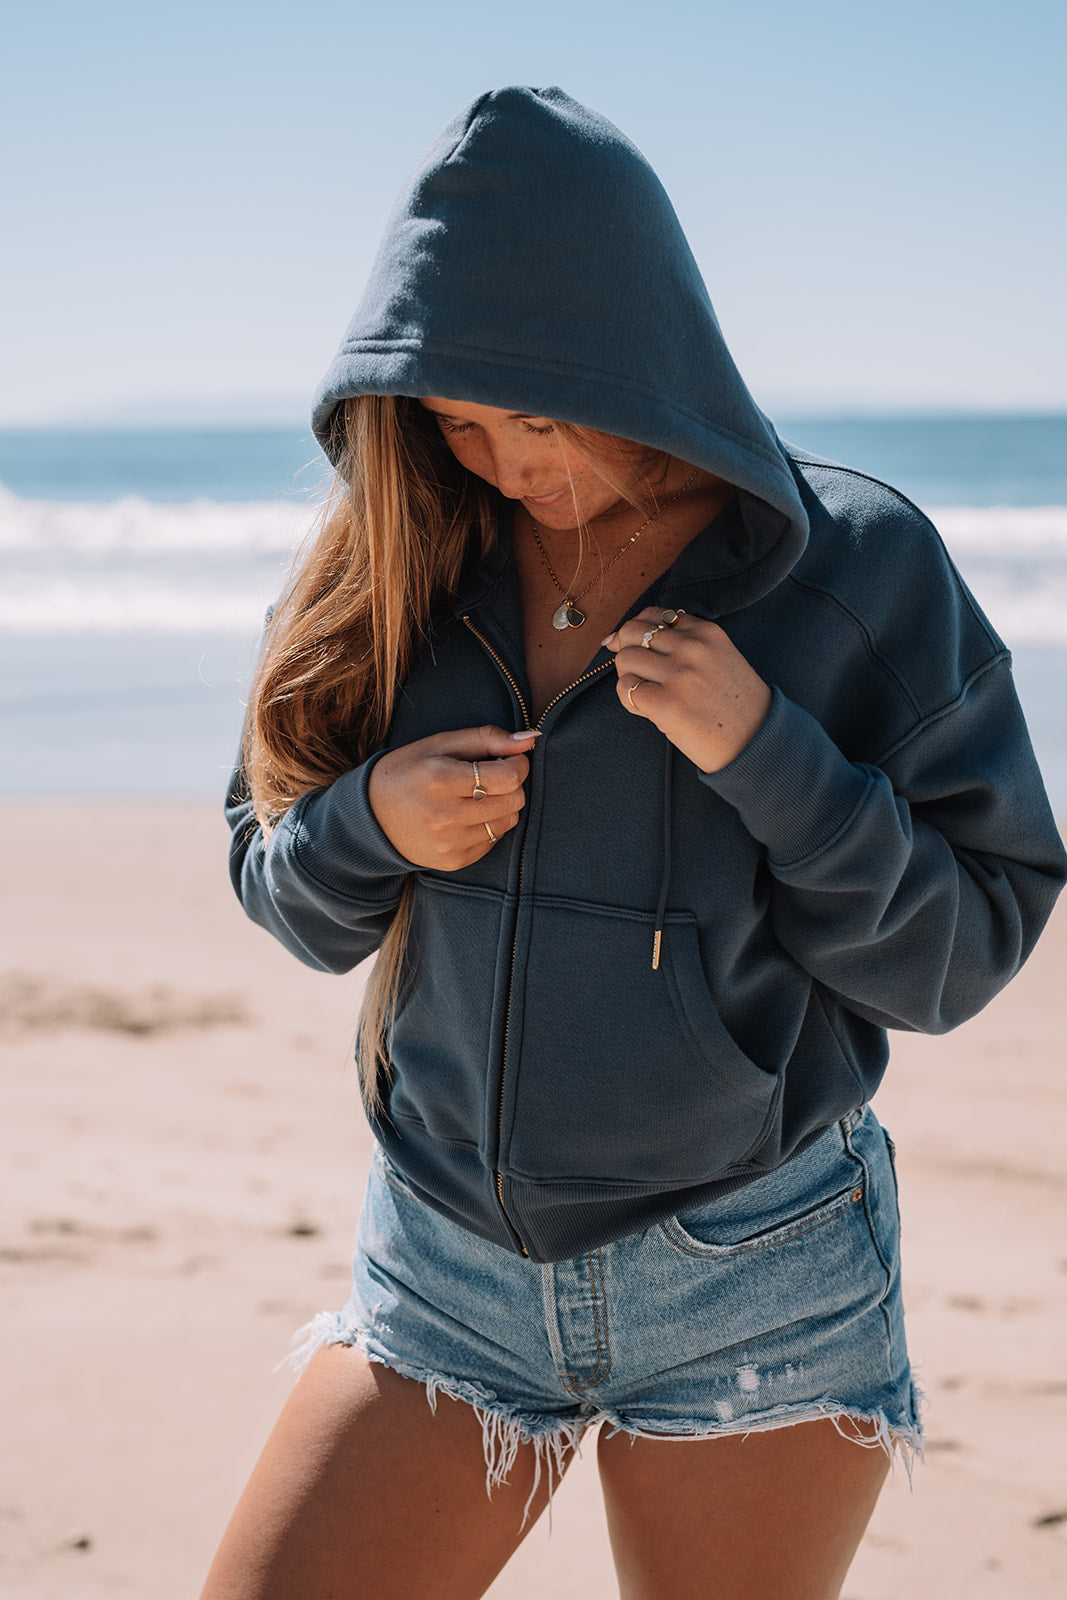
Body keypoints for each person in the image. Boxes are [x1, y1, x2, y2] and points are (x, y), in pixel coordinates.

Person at [204, 88, 1066, 1600]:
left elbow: (959, 955)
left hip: (759, 1276)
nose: (504, 462)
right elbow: (282, 879)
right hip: (444, 1268)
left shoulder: (856, 570)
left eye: (538, 415)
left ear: (641, 356)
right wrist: (368, 824)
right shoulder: (405, 559)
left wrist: (772, 758)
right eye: (459, 420)